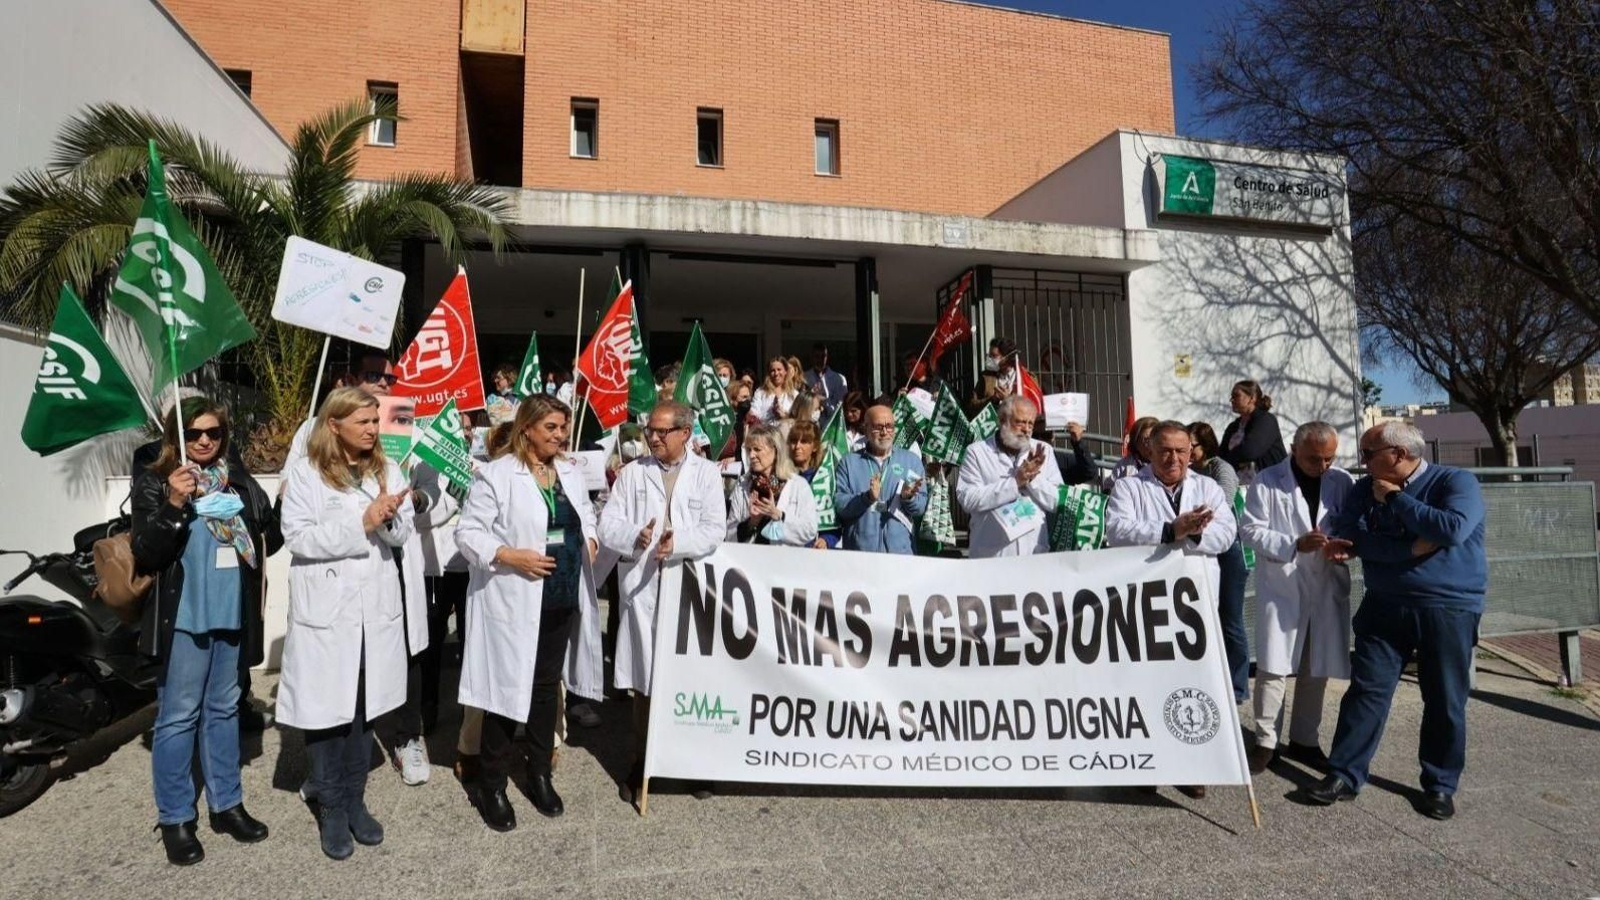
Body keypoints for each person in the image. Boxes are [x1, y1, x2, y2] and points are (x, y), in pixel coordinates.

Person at [1304, 422, 1486, 821]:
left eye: (1369, 454)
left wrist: (1396, 499)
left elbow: (1451, 529)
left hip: (1447, 607)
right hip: (1384, 605)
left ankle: (1439, 785)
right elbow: (1348, 535)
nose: (1362, 462)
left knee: (1444, 698)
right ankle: (1343, 774)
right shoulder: (1363, 489)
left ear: (1399, 455)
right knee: (1367, 691)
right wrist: (1408, 549)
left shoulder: (1455, 482)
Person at [131, 397, 278, 865]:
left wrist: (278, 500)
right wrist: (175, 503)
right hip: (185, 618)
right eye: (194, 433)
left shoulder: (236, 479)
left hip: (231, 612)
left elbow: (270, 539)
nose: (204, 441)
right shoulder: (157, 480)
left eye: (213, 432)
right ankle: (176, 817)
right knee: (178, 717)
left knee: (224, 710)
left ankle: (226, 806)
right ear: (177, 435)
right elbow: (146, 552)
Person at [453, 395, 603, 830]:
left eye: (563, 427)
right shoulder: (497, 475)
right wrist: (507, 555)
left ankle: (539, 774)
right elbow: (467, 532)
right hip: (514, 600)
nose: (560, 435)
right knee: (504, 694)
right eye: (551, 427)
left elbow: (585, 514)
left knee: (544, 689)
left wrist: (591, 539)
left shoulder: (569, 471)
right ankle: (493, 785)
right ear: (527, 429)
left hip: (560, 597)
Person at [279, 386, 414, 860]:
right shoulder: (305, 472)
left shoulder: (386, 469)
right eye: (363, 422)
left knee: (362, 710)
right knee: (325, 716)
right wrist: (362, 523)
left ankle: (355, 799)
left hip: (372, 610)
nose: (374, 429)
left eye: (375, 421)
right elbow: (297, 537)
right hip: (328, 613)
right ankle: (331, 806)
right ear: (333, 425)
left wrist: (390, 517)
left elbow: (402, 535)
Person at [597, 400, 726, 804]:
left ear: (685, 433)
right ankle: (643, 763)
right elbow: (608, 524)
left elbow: (714, 528)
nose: (653, 437)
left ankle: (692, 765)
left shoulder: (706, 474)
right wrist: (635, 535)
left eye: (662, 431)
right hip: (644, 587)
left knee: (689, 679)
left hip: (688, 586)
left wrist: (679, 542)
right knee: (646, 681)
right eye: (649, 430)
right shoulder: (633, 473)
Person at [1105, 420, 1237, 800]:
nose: (1174, 458)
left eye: (1181, 451)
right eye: (1165, 451)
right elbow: (1116, 531)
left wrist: (1194, 532)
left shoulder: (1208, 487)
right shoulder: (1130, 487)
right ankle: (1146, 762)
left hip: (1194, 600)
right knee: (1145, 681)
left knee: (1190, 683)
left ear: (1191, 452)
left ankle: (1187, 765)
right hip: (1146, 597)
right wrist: (1169, 530)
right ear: (1150, 450)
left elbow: (1226, 534)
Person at [1239, 422, 1354, 774]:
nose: (1322, 466)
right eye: (1313, 459)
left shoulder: (1342, 481)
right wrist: (1293, 544)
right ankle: (1266, 741)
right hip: (1283, 584)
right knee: (1274, 666)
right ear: (1293, 449)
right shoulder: (1267, 480)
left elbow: (1353, 525)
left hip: (1326, 582)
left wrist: (1345, 546)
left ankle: (1305, 739)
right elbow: (1250, 529)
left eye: (1329, 459)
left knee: (1317, 666)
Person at [1188, 421, 1251, 704]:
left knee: (1231, 619)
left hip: (1230, 549)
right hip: (1201, 545)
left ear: (1205, 445)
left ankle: (1238, 688)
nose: (1187, 452)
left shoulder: (1220, 468)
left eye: (1191, 446)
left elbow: (1220, 504)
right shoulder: (1190, 471)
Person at [956, 396, 1063, 558]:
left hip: (1033, 554)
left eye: (1030, 424)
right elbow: (968, 499)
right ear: (1002, 421)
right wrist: (1015, 483)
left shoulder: (1043, 450)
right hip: (993, 554)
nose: (1026, 429)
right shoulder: (976, 452)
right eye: (1020, 422)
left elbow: (1057, 501)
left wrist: (1032, 479)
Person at [834, 403, 927, 554]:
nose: (884, 432)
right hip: (860, 554)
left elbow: (920, 507)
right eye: (878, 427)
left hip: (900, 553)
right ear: (866, 429)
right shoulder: (849, 463)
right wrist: (866, 498)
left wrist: (908, 498)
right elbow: (840, 505)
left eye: (889, 426)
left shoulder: (911, 462)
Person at [728, 424, 820, 546]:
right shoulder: (743, 485)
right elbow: (729, 535)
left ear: (775, 451)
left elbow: (809, 530)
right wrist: (752, 522)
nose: (751, 455)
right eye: (749, 450)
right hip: (750, 556)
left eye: (757, 449)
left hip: (784, 556)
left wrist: (778, 515)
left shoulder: (798, 485)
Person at [1219, 379, 1287, 482]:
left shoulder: (1266, 420)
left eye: (1236, 395)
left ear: (1252, 398)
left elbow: (1251, 450)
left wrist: (1231, 460)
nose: (1231, 400)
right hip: (1238, 485)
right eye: (1231, 396)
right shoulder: (1233, 427)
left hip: (1269, 483)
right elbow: (1221, 456)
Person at [787, 420, 836, 549]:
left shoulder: (824, 477)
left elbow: (833, 519)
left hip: (814, 550)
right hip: (786, 547)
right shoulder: (782, 475)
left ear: (814, 447)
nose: (797, 446)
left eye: (804, 442)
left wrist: (826, 539)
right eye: (794, 441)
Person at [1104, 415, 1159, 490]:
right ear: (1136, 442)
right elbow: (1109, 487)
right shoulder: (1124, 464)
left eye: (1154, 439)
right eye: (1146, 440)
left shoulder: (1165, 465)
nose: (1150, 444)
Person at [804, 343, 848, 420]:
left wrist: (824, 400)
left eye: (823, 356)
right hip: (811, 420)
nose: (820, 360)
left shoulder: (839, 379)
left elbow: (841, 406)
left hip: (831, 421)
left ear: (827, 357)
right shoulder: (804, 377)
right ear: (812, 357)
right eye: (817, 356)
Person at [750, 356, 798, 423]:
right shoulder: (760, 392)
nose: (776, 373)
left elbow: (798, 418)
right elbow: (754, 413)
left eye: (779, 369)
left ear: (785, 371)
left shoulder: (794, 394)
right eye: (773, 370)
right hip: (765, 428)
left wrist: (785, 416)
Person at [1052, 421, 1098, 486]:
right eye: (1037, 436)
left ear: (1052, 437)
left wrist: (1078, 442)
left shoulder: (1062, 461)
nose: (1040, 441)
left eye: (1045, 435)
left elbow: (1090, 472)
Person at [484, 362, 520, 426]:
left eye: (498, 378)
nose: (495, 381)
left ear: (509, 378)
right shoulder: (491, 398)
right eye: (495, 378)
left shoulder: (519, 397)